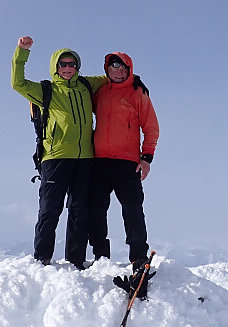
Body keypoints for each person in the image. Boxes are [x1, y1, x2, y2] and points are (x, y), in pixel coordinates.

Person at [11, 36, 107, 268]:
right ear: (55, 66)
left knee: (79, 210)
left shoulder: (86, 85)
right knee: (49, 209)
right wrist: (22, 52)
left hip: (85, 159)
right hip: (55, 158)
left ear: (77, 67)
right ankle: (42, 257)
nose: (67, 68)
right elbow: (18, 83)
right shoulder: (46, 90)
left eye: (71, 64)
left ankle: (75, 260)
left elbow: (113, 77)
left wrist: (133, 78)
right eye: (62, 64)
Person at [88, 52, 159, 270]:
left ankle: (138, 256)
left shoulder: (138, 94)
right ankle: (100, 256)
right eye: (114, 67)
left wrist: (146, 158)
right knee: (96, 210)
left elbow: (151, 128)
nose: (118, 71)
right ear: (107, 69)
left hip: (128, 163)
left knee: (132, 209)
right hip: (99, 162)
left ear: (130, 69)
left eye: (123, 68)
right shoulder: (100, 93)